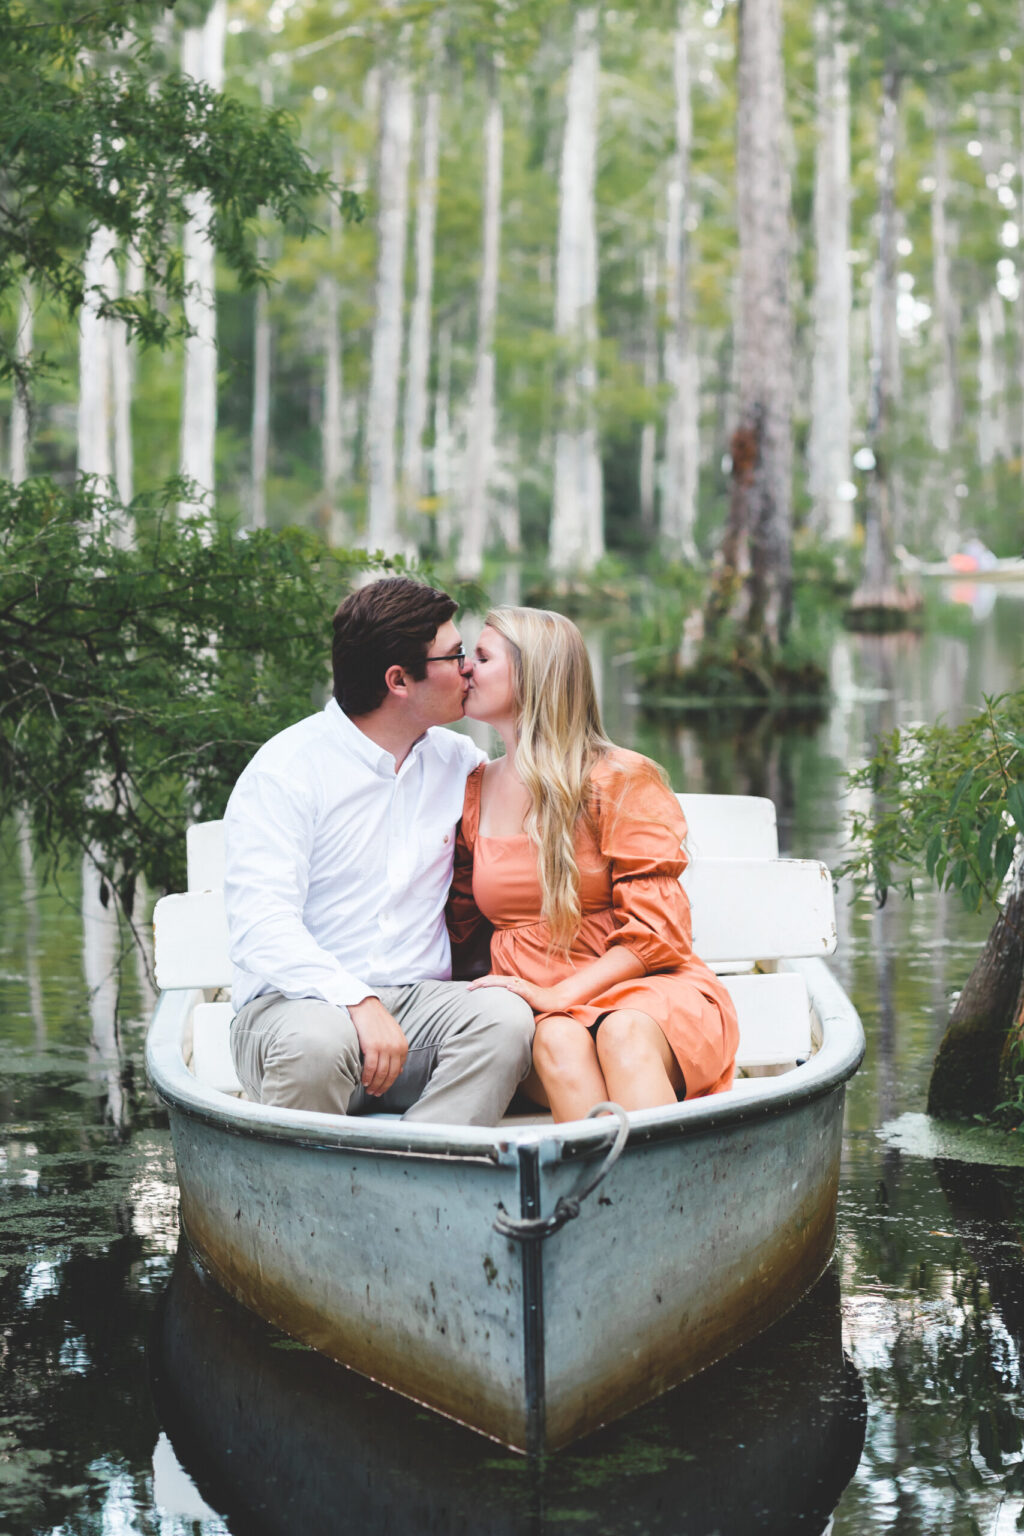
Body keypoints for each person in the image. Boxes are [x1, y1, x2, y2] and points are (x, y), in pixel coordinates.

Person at [223, 577, 535, 1125]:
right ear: (398, 680)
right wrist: (355, 1000)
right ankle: (308, 1203)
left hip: (420, 1008)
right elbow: (260, 924)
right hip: (295, 1010)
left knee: (505, 1023)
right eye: (454, 655)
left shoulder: (457, 762)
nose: (466, 668)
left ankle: (423, 1173)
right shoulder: (287, 771)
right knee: (317, 1044)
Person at [448, 606, 739, 1123]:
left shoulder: (620, 779)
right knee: (559, 1038)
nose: (464, 668)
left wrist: (557, 993)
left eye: (482, 656)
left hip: (642, 995)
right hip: (539, 1011)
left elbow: (659, 933)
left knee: (621, 1032)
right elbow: (458, 925)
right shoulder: (474, 789)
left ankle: (665, 1196)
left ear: (533, 675)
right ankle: (606, 1199)